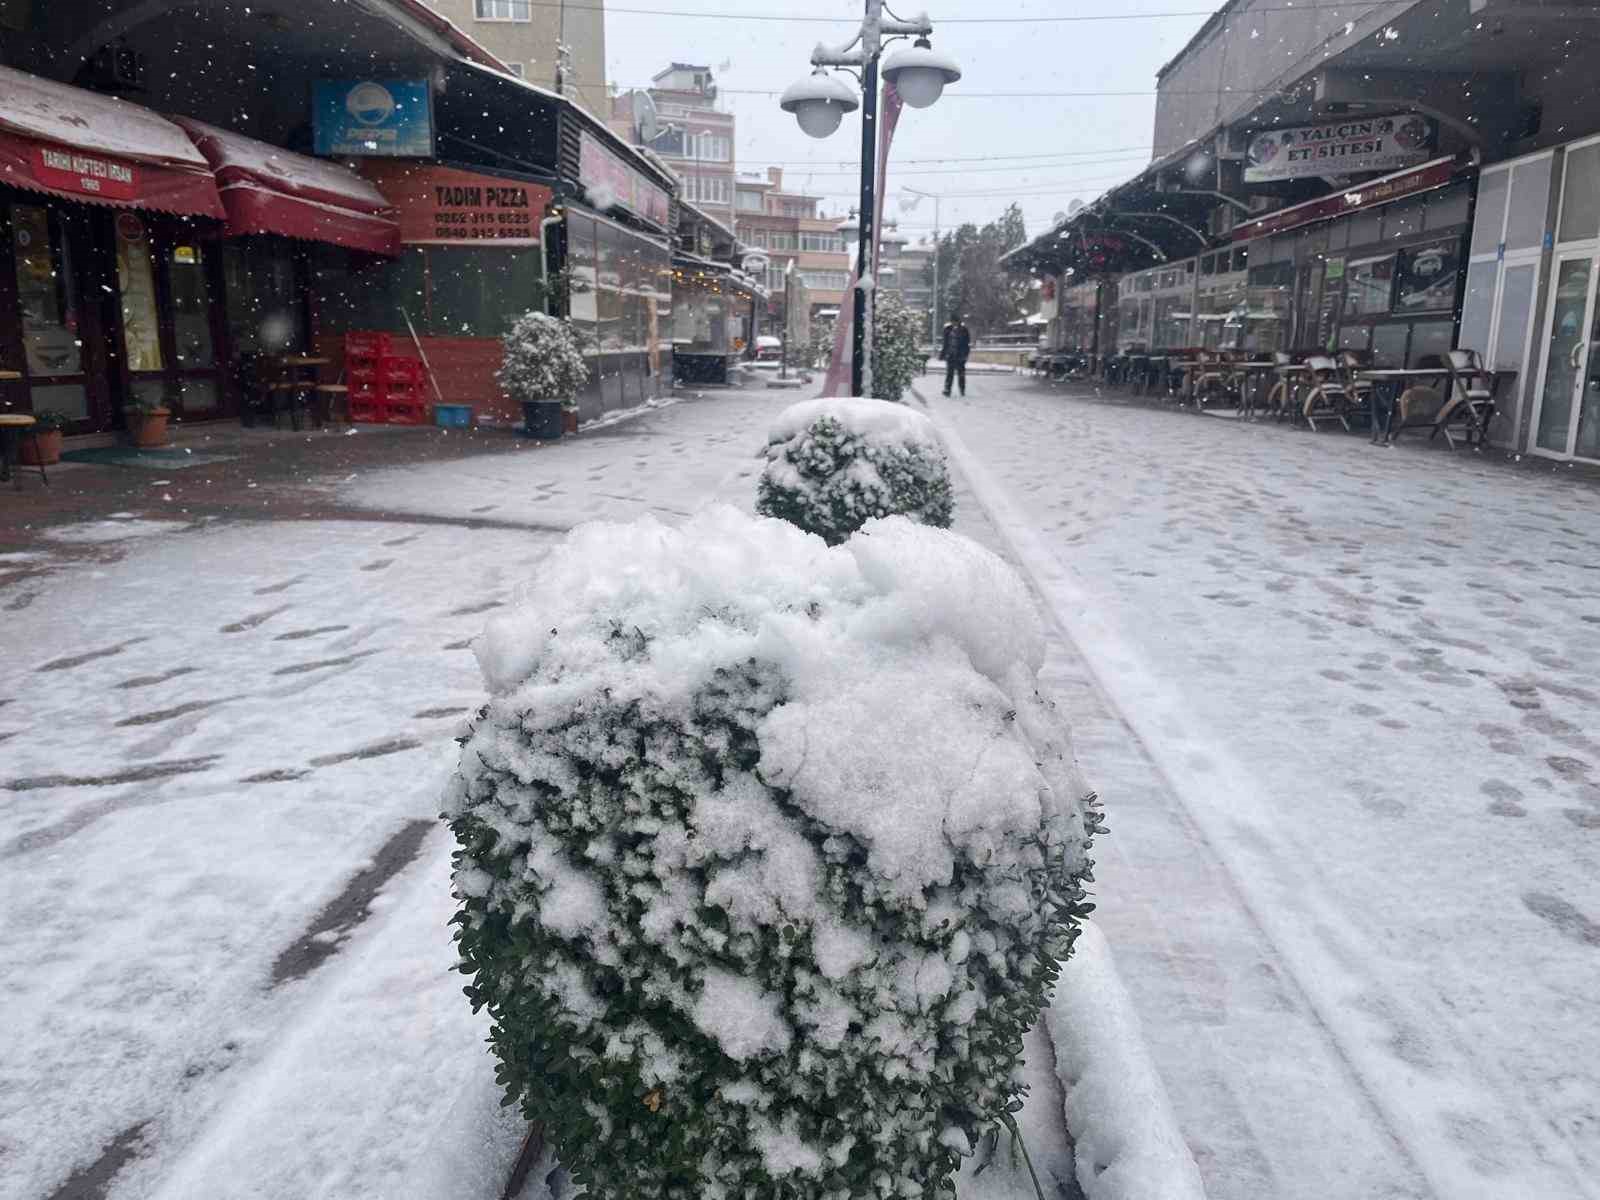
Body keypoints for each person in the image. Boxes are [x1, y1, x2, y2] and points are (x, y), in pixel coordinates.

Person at [941, 315, 971, 397]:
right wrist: (943, 353)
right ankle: (947, 390)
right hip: (950, 355)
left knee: (961, 374)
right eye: (952, 321)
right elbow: (945, 343)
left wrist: (965, 354)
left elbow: (966, 343)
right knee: (949, 374)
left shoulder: (964, 330)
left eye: (955, 321)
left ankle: (962, 389)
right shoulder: (947, 329)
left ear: (958, 321)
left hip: (960, 355)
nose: (953, 323)